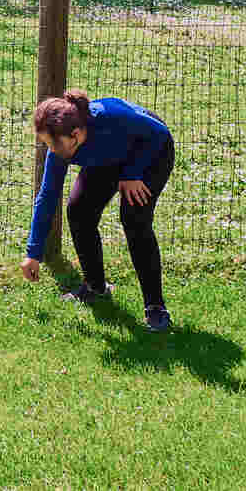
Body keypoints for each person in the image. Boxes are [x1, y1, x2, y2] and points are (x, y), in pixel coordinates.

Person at [19, 89, 175, 333]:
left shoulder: (111, 116)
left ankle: (156, 308)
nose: (51, 150)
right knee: (79, 210)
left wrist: (132, 173)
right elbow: (47, 196)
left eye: (53, 143)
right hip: (109, 159)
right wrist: (33, 252)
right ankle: (95, 287)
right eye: (46, 144)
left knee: (134, 220)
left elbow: (159, 133)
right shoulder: (61, 147)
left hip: (149, 152)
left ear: (76, 134)